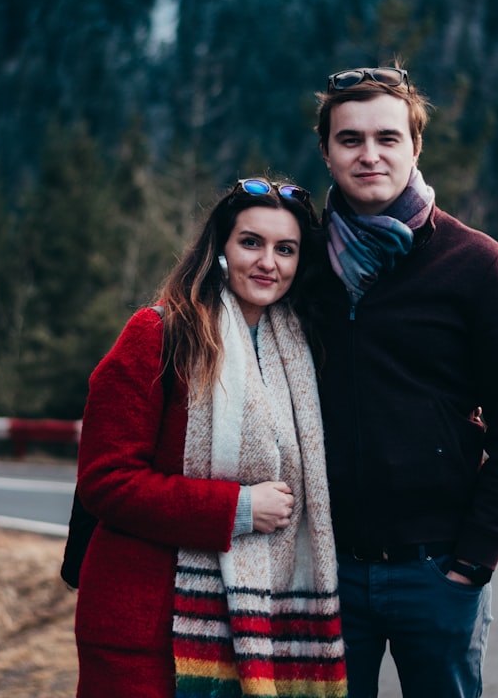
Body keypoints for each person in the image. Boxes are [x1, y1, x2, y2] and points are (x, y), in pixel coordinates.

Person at [310, 64, 498, 697]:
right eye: (350, 139)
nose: (369, 155)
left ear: (415, 148)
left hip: (437, 570)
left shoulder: (477, 265)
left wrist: (473, 561)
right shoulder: (302, 263)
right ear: (327, 151)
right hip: (325, 570)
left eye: (387, 138)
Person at [72, 177, 347, 697]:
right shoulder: (156, 334)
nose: (269, 262)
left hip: (259, 629)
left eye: (285, 249)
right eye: (251, 242)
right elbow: (105, 482)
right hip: (146, 623)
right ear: (219, 248)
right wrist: (237, 509)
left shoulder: (303, 353)